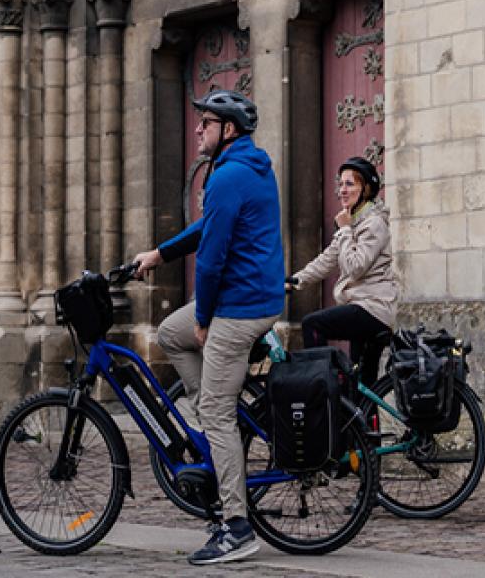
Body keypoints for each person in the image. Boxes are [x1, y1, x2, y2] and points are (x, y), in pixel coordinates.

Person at [131, 88, 283, 566]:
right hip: (249, 298)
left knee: (217, 411)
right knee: (169, 334)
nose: (198, 129)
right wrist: (160, 253)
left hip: (240, 307)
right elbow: (206, 228)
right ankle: (209, 412)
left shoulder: (228, 175)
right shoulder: (246, 168)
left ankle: (237, 528)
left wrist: (203, 319)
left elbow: (213, 260)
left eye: (207, 122)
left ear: (228, 129)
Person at [288, 156, 397, 382]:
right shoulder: (354, 223)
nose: (342, 190)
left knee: (313, 325)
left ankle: (323, 384)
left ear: (366, 189)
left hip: (373, 308)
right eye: (340, 184)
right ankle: (354, 399)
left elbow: (355, 267)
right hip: (362, 306)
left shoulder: (374, 224)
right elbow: (326, 261)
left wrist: (345, 230)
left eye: (349, 184)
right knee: (361, 385)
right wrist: (294, 281)